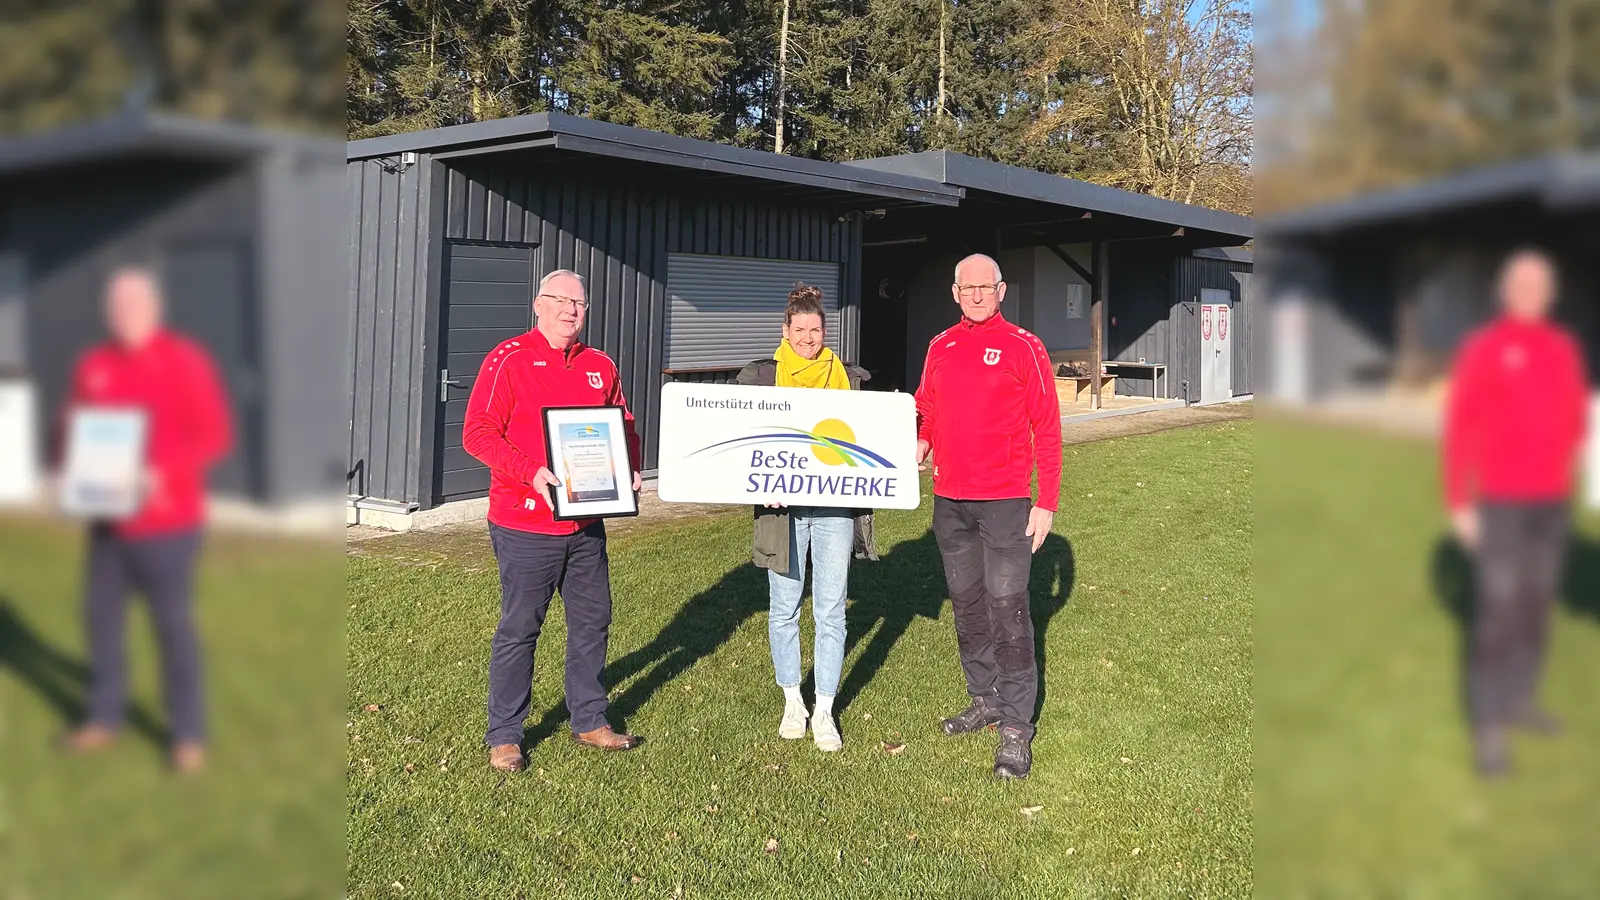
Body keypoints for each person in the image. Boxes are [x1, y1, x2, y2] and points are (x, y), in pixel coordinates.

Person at [463, 268, 644, 772]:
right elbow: (477, 432)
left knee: (593, 622)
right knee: (521, 628)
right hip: (524, 522)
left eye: (579, 303)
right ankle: (505, 734)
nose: (570, 310)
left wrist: (628, 467)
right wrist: (530, 472)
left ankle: (589, 719)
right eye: (560, 300)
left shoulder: (600, 365)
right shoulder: (508, 359)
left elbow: (623, 425)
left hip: (585, 525)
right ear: (538, 304)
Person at [59, 265, 234, 773]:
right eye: (117, 306)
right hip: (107, 521)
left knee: (171, 628)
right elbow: (74, 425)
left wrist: (162, 472)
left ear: (155, 309)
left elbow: (214, 434)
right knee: (101, 622)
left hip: (168, 523)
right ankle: (104, 717)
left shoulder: (184, 361)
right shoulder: (95, 364)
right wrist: (70, 467)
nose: (125, 314)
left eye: (134, 304)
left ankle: (188, 735)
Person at [1441, 247, 1589, 777]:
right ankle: (1489, 728)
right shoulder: (1484, 348)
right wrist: (1459, 502)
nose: (1530, 295)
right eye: (1521, 286)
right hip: (1501, 504)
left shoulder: (1563, 347)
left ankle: (1520, 700)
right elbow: (1460, 427)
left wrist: (1572, 462)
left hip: (1552, 503)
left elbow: (1576, 416)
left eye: (1539, 287)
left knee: (1535, 606)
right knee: (1499, 612)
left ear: (1550, 295)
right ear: (1505, 293)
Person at [914, 253, 1063, 780]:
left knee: (1007, 608)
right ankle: (985, 698)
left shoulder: (1025, 346)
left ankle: (1017, 725)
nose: (976, 295)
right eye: (967, 288)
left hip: (1005, 504)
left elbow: (1047, 426)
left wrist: (1046, 501)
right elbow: (928, 408)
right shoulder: (940, 346)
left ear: (1001, 290)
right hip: (950, 503)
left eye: (986, 287)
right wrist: (922, 440)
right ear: (955, 292)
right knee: (968, 606)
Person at [736, 283, 874, 753]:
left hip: (834, 508)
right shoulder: (761, 378)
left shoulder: (847, 378)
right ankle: (793, 700)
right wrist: (760, 482)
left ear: (824, 331)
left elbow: (865, 438)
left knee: (832, 609)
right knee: (785, 607)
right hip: (783, 513)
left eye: (815, 330)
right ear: (785, 330)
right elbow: (745, 440)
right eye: (799, 330)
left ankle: (825, 708)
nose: (808, 339)